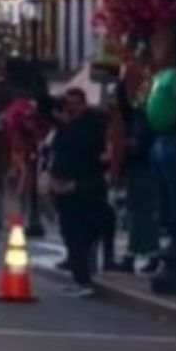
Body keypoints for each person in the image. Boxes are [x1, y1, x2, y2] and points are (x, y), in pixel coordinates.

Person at [49, 88, 110, 297]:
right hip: (63, 187)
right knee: (69, 233)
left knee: (80, 235)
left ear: (83, 104)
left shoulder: (91, 127)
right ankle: (78, 277)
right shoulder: (65, 127)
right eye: (68, 103)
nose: (70, 107)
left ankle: (84, 279)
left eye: (74, 103)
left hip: (83, 188)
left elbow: (96, 159)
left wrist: (77, 184)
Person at [115, 74, 160, 275]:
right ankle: (145, 254)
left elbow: (141, 146)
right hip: (137, 169)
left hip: (143, 169)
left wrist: (132, 147)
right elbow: (124, 107)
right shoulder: (138, 117)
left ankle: (144, 254)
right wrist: (121, 84)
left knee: (141, 214)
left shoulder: (147, 121)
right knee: (137, 214)